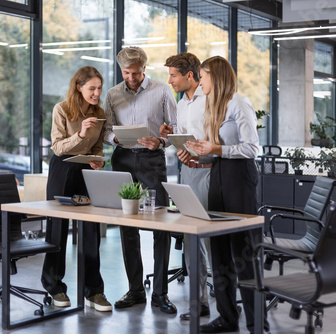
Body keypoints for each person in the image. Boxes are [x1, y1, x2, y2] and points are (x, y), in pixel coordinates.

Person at [185, 56, 270, 334]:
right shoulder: (213, 105)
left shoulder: (239, 103)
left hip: (240, 179)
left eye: (203, 75)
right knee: (219, 249)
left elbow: (251, 149)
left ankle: (258, 321)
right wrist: (200, 155)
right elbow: (217, 151)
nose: (200, 81)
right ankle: (227, 317)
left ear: (216, 76)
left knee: (244, 251)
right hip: (218, 174)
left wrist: (216, 150)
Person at [103, 46, 178, 314]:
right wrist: (115, 139)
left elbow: (175, 128)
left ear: (144, 68)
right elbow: (106, 129)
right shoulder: (112, 94)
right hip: (123, 159)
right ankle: (135, 290)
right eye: (126, 73)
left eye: (136, 73)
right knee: (127, 226)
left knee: (161, 225)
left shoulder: (162, 91)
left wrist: (160, 140)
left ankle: (160, 292)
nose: (131, 78)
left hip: (151, 160)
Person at [41, 66, 112, 312]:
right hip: (62, 169)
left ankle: (93, 290)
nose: (96, 93)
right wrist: (81, 133)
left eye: (99, 88)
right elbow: (58, 147)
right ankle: (54, 286)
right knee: (57, 229)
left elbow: (98, 147)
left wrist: (97, 159)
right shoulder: (61, 109)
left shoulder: (100, 112)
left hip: (85, 172)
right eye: (91, 88)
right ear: (79, 87)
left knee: (90, 230)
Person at [160, 52, 212, 321]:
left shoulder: (210, 100)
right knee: (192, 240)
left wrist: (198, 154)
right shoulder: (181, 104)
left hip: (209, 174)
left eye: (173, 75)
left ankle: (226, 302)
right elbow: (182, 140)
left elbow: (216, 142)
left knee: (213, 242)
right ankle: (199, 301)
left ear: (189, 75)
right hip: (187, 174)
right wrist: (169, 136)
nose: (170, 80)